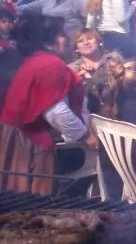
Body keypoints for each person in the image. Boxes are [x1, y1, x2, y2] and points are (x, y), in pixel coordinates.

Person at [0, 13, 95, 194]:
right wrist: (86, 137)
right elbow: (55, 112)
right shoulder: (52, 65)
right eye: (61, 34)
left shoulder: (36, 59)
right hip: (30, 141)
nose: (67, 38)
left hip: (15, 135)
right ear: (48, 42)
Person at [18, 0, 85, 42]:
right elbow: (31, 6)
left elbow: (85, 18)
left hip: (69, 37)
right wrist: (16, 7)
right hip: (47, 35)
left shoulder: (77, 1)